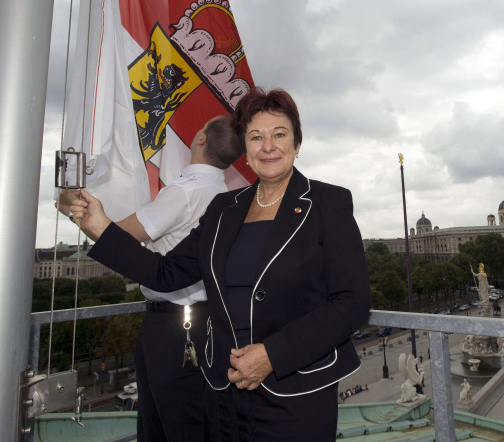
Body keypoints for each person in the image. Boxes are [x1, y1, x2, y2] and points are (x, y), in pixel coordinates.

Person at [71, 88, 371, 441]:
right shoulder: (223, 209)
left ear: (297, 143)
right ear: (245, 148)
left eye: (279, 134)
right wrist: (100, 227)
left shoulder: (328, 203)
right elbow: (165, 274)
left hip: (297, 394)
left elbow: (352, 303)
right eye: (256, 137)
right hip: (224, 392)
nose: (268, 146)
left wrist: (272, 355)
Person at [58, 115, 242, 442]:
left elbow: (119, 236)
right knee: (187, 421)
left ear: (201, 139)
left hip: (175, 329)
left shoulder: (185, 192)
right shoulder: (220, 191)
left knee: (166, 426)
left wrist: (74, 210)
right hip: (199, 323)